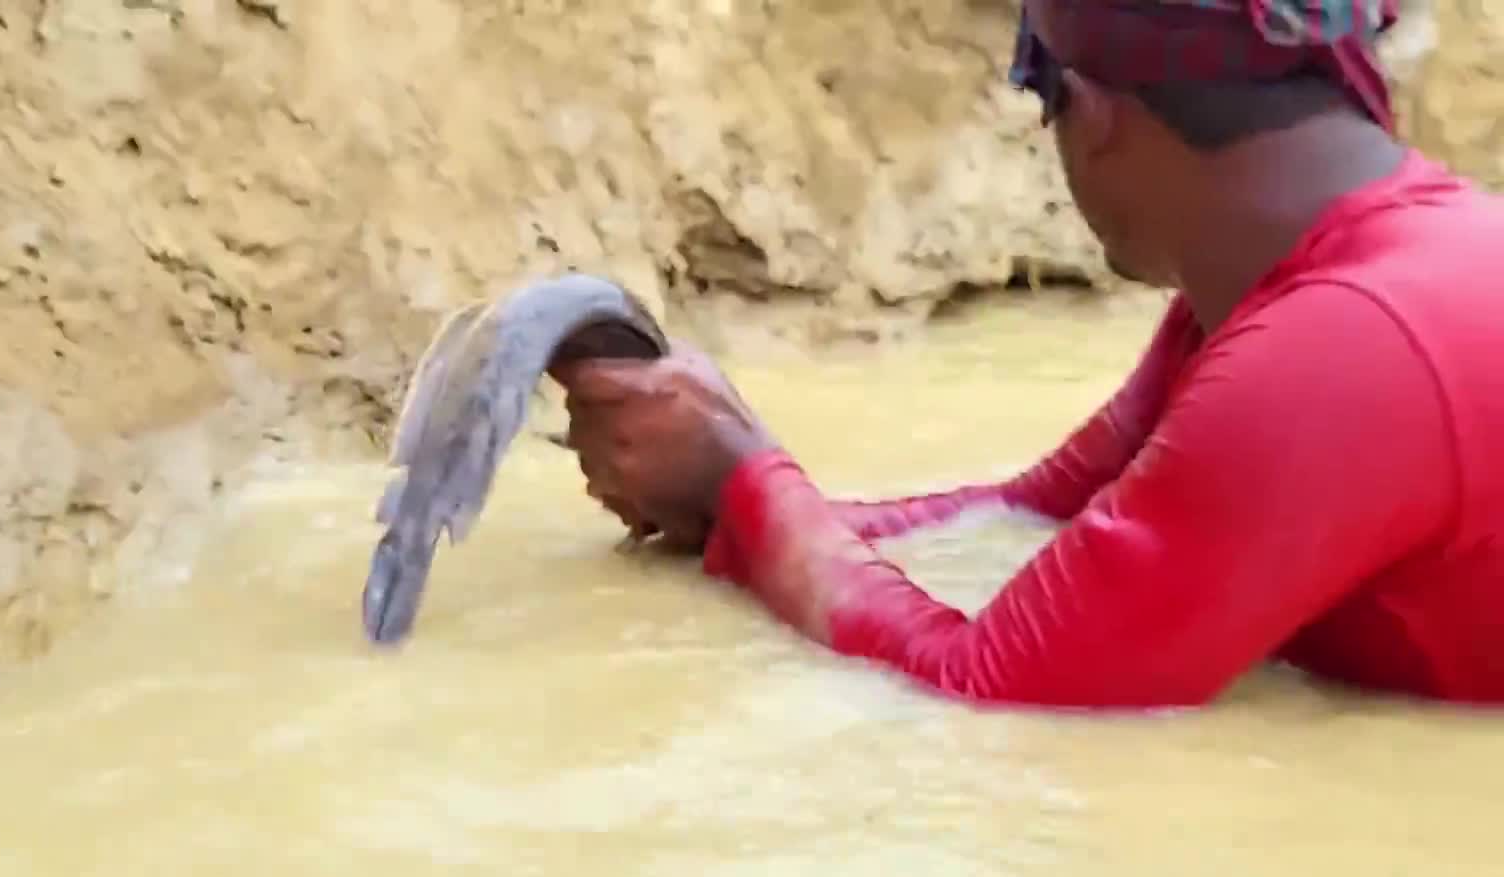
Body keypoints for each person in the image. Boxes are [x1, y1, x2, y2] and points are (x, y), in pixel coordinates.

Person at [548, 0, 1504, 709]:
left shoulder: (1333, 350)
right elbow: (1028, 514)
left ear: (1090, 112)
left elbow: (988, 691)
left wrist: (746, 478)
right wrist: (730, 499)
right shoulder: (1287, 297)